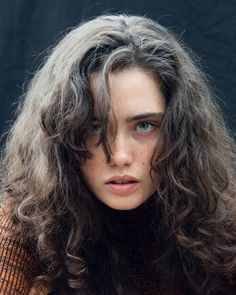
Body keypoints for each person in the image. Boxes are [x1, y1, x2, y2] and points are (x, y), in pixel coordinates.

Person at [0, 14, 235, 295]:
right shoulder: (20, 232)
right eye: (94, 127)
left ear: (180, 131)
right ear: (59, 134)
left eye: (144, 125)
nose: (120, 156)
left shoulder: (225, 229)